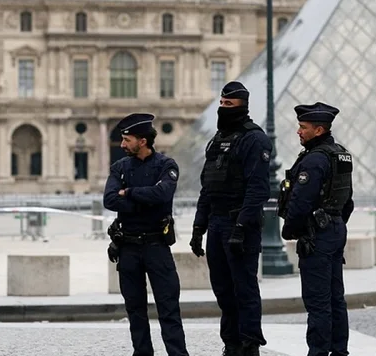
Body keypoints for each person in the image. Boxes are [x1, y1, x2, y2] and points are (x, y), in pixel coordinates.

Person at [190, 81, 272, 356]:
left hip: (240, 225)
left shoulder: (254, 139)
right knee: (223, 290)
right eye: (221, 104)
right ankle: (231, 343)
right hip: (216, 224)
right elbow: (208, 187)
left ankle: (249, 345)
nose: (223, 108)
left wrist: (241, 226)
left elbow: (258, 189)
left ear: (242, 107)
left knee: (244, 289)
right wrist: (198, 226)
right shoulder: (216, 141)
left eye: (229, 105)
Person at [103, 113, 190, 356]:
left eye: (127, 139)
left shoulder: (166, 165)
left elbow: (163, 195)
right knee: (134, 310)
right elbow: (109, 200)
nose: (122, 145)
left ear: (142, 140)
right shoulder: (119, 167)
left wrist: (128, 193)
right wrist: (144, 199)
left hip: (156, 246)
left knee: (168, 308)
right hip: (128, 247)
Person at [279, 102, 354, 356]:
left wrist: (289, 230)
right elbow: (348, 201)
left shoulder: (314, 160)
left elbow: (300, 203)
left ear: (319, 130)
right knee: (336, 298)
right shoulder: (341, 154)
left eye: (303, 127)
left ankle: (318, 352)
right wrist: (335, 222)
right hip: (335, 229)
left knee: (318, 302)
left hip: (317, 234)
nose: (299, 132)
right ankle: (339, 351)